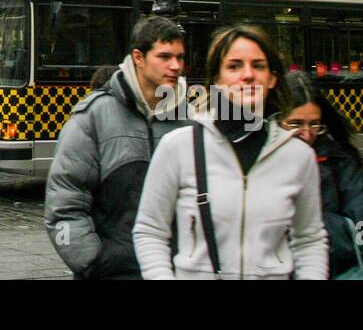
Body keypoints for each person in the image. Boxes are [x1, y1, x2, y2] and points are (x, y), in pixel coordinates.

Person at [132, 24, 328, 280]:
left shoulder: (297, 156)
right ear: (217, 79)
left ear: (272, 78)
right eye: (234, 66)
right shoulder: (179, 147)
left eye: (258, 66)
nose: (247, 75)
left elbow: (309, 239)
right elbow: (150, 231)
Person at [45, 16, 191, 279]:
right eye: (165, 56)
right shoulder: (94, 116)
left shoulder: (190, 120)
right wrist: (94, 263)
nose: (175, 66)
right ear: (138, 57)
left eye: (179, 58)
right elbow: (64, 202)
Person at [282, 71, 363, 277]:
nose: (307, 134)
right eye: (295, 123)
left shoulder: (340, 160)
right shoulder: (257, 164)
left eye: (314, 124)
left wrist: (296, 225)